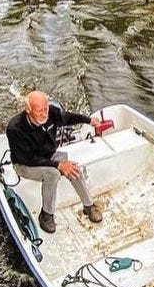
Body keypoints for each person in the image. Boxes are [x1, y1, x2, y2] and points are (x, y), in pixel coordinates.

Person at [6, 91, 106, 233]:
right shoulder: (15, 128)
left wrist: (88, 120)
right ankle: (46, 215)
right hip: (25, 164)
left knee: (73, 168)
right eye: (39, 111)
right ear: (28, 110)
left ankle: (89, 206)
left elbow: (67, 118)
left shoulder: (51, 112)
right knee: (52, 174)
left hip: (49, 155)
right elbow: (27, 159)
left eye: (45, 109)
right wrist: (58, 165)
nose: (44, 114)